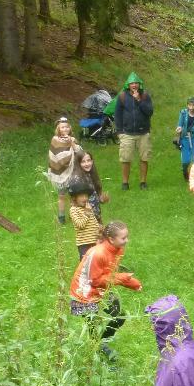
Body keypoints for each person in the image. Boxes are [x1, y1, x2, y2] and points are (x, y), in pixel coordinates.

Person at [69, 221, 141, 360]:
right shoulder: (98, 253)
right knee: (93, 323)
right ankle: (96, 350)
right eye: (123, 238)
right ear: (111, 239)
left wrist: (131, 283)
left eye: (127, 237)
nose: (127, 240)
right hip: (84, 293)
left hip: (101, 289)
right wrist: (124, 278)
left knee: (118, 315)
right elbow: (95, 281)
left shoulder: (118, 249)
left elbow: (109, 273)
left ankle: (101, 343)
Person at [113, 72, 153, 190]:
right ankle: (125, 183)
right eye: (132, 83)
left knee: (144, 158)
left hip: (143, 133)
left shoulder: (145, 95)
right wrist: (120, 132)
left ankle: (143, 182)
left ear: (139, 84)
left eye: (136, 83)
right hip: (127, 133)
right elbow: (117, 115)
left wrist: (139, 100)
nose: (134, 85)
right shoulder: (122, 97)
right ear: (128, 85)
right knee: (125, 159)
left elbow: (149, 112)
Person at [47, 116, 81, 224]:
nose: (65, 129)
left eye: (66, 127)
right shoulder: (55, 140)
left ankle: (73, 215)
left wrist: (72, 142)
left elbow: (79, 152)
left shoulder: (72, 139)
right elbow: (57, 156)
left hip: (72, 171)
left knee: (73, 195)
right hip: (61, 173)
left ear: (69, 128)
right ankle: (61, 217)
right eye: (62, 127)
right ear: (58, 129)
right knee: (62, 196)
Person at [72, 151, 109, 223]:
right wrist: (86, 213)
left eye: (89, 160)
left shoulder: (91, 174)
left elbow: (95, 196)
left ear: (92, 161)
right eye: (83, 162)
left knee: (101, 233)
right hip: (85, 217)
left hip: (96, 215)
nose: (87, 164)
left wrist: (102, 199)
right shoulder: (77, 179)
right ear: (78, 164)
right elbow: (76, 201)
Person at [67, 182, 100, 259]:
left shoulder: (87, 208)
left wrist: (99, 228)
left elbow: (93, 222)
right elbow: (80, 225)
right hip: (84, 243)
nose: (85, 198)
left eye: (86, 196)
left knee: (96, 261)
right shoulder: (73, 210)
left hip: (95, 240)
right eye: (81, 196)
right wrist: (87, 213)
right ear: (75, 198)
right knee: (86, 263)